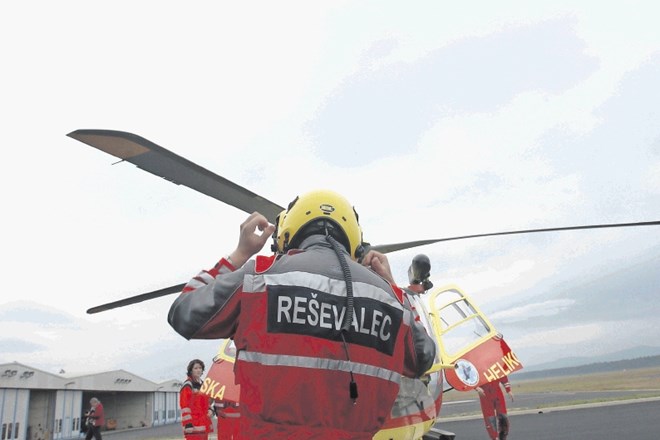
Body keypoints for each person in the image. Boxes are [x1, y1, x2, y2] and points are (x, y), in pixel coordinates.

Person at [168, 189, 436, 439]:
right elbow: (422, 357)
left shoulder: (258, 278)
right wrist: (392, 287)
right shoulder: (390, 298)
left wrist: (239, 254)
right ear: (354, 238)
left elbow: (184, 313)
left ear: (286, 235)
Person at [180, 359, 214, 440]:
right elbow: (184, 406)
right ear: (191, 370)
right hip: (193, 425)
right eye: (195, 368)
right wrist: (188, 424)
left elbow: (207, 402)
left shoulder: (203, 385)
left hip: (203, 423)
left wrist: (210, 410)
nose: (198, 370)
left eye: (200, 368)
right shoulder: (188, 385)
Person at [475, 375, 514, 440]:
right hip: (485, 394)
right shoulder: (477, 366)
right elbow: (471, 378)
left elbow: (503, 376)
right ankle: (494, 438)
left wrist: (508, 390)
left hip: (497, 392)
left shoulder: (496, 365)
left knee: (503, 416)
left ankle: (503, 437)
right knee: (490, 418)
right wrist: (477, 388)